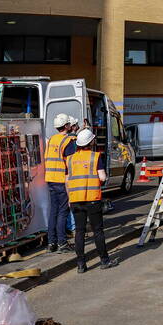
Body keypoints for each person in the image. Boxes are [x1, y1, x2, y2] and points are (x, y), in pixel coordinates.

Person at [66, 128, 118, 272]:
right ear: (91, 142)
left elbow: (67, 180)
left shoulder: (70, 159)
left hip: (75, 199)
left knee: (79, 232)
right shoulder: (95, 157)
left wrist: (70, 197)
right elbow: (102, 177)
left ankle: (81, 265)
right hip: (92, 199)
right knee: (98, 231)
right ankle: (104, 260)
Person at [43, 114, 75, 254]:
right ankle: (62, 243)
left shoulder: (51, 140)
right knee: (63, 212)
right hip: (62, 180)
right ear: (66, 126)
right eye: (69, 124)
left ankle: (51, 243)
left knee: (54, 211)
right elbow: (70, 163)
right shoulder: (67, 141)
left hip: (50, 179)